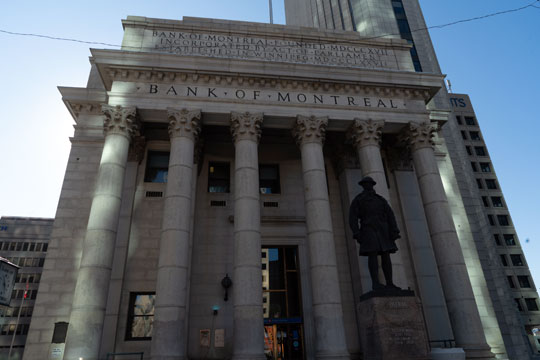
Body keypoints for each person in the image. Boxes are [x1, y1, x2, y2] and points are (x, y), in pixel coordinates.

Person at [349, 176, 401, 291]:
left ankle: (390, 283)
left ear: (372, 185)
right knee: (372, 255)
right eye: (366, 184)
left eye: (370, 184)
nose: (368, 186)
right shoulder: (359, 200)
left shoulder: (380, 200)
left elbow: (390, 215)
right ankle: (375, 283)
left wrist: (394, 230)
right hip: (368, 229)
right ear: (363, 185)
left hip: (383, 230)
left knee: (386, 255)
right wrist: (356, 233)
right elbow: (352, 217)